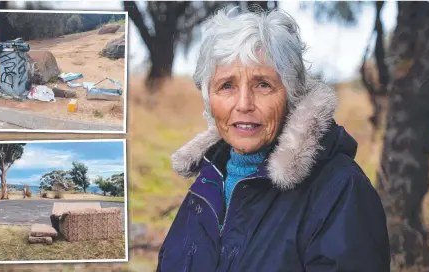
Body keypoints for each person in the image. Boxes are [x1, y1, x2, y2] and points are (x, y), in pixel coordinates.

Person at [157, 7, 390, 272]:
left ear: (291, 94)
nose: (244, 104)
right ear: (209, 99)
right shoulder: (209, 180)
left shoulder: (341, 191)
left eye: (263, 85)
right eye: (227, 86)